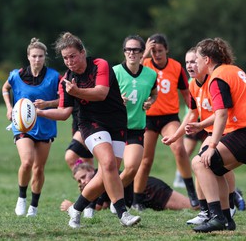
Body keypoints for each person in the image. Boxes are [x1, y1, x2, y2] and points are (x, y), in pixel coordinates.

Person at [37, 32, 140, 228]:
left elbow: (101, 93)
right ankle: (122, 214)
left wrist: (76, 92)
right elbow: (65, 112)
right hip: (90, 123)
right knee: (108, 163)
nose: (69, 61)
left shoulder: (100, 65)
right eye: (65, 58)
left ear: (82, 52)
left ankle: (76, 209)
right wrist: (40, 113)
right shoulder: (66, 80)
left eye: (73, 56)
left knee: (105, 175)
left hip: (116, 121)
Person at [190, 37, 246, 232]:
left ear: (207, 59)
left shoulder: (217, 78)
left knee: (199, 162)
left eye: (197, 58)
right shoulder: (233, 70)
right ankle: (226, 219)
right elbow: (224, 111)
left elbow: (222, 114)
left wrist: (212, 145)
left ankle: (216, 217)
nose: (195, 62)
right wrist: (201, 124)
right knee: (216, 168)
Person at [162, 47, 240, 227]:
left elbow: (222, 113)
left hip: (227, 129)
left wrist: (201, 126)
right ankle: (208, 211)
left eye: (193, 61)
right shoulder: (191, 84)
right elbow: (192, 114)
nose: (190, 65)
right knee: (202, 165)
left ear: (203, 62)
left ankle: (227, 204)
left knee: (211, 166)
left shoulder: (215, 81)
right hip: (210, 130)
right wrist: (175, 136)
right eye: (187, 62)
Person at [134, 33, 198, 210]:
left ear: (166, 50)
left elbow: (186, 93)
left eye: (160, 50)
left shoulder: (176, 67)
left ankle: (192, 193)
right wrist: (144, 52)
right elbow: (132, 73)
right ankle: (137, 199)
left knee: (179, 148)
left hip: (169, 117)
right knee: (146, 160)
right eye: (153, 51)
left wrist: (196, 110)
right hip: (147, 118)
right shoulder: (145, 64)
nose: (157, 54)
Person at [2, 38, 60, 217]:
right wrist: (9, 108)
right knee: (27, 162)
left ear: (45, 57)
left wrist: (48, 103)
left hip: (45, 126)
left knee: (39, 168)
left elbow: (63, 100)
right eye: (34, 56)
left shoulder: (54, 76)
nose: (37, 60)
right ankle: (21, 198)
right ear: (28, 57)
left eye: (40, 56)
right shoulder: (16, 75)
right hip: (22, 126)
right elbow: (5, 88)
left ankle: (33, 207)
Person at [112, 35, 157, 207]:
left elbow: (154, 94)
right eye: (128, 49)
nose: (131, 53)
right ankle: (105, 198)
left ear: (141, 53)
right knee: (110, 170)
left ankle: (112, 197)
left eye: (135, 50)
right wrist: (116, 100)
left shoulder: (151, 75)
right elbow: (102, 97)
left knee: (131, 168)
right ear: (124, 53)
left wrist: (150, 102)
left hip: (136, 128)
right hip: (115, 127)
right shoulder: (114, 72)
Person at [60, 162, 195, 215]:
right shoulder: (97, 182)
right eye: (80, 180)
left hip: (150, 190)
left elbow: (98, 207)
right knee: (193, 206)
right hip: (144, 197)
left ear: (91, 169)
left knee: (193, 206)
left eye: (84, 176)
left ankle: (213, 203)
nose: (83, 181)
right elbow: (105, 203)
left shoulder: (100, 175)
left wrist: (73, 206)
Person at [64, 103, 94, 170]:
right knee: (86, 164)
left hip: (92, 121)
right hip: (77, 122)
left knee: (71, 156)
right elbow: (64, 101)